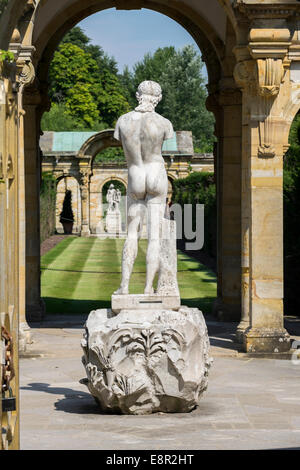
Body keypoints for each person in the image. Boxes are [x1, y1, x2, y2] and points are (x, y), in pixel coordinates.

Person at [113, 80, 174, 295]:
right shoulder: (164, 123)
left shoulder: (123, 121)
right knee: (154, 236)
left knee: (131, 235)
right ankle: (149, 288)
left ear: (138, 95)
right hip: (156, 172)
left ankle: (125, 286)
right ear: (157, 98)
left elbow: (120, 140)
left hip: (135, 174)